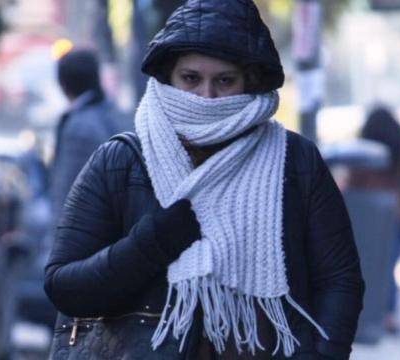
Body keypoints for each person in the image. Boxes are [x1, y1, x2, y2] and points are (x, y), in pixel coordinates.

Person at [44, 1, 365, 359]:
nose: (206, 97)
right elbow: (65, 286)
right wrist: (151, 244)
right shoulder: (121, 162)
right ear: (168, 77)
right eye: (191, 79)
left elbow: (339, 281)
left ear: (250, 82)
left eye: (224, 81)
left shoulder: (296, 161)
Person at [346, 105, 400, 334]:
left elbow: (353, 183)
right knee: (391, 264)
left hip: (369, 212)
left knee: (371, 266)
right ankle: (389, 314)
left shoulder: (364, 149)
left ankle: (374, 312)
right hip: (399, 211)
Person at [49, 48, 130, 230]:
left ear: (63, 84)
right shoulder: (120, 115)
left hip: (93, 234)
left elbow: (66, 192)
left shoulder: (78, 127)